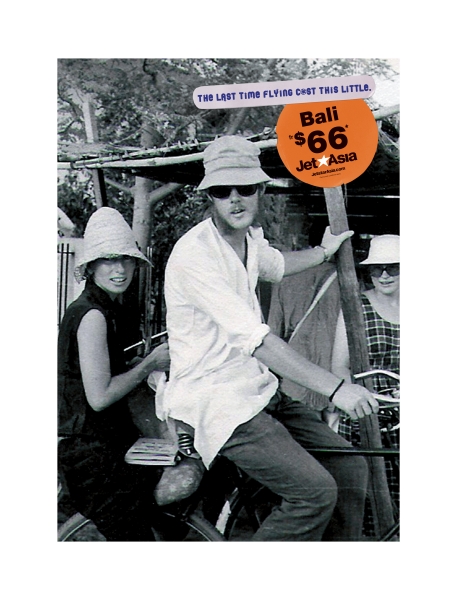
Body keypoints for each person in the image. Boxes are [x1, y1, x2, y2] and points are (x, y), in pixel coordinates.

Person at [159, 136, 379, 541]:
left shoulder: (247, 241)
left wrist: (323, 251)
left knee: (350, 468)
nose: (235, 199)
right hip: (218, 400)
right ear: (209, 196)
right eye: (222, 191)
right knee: (314, 493)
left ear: (260, 190)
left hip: (257, 389)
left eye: (245, 188)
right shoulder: (195, 255)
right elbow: (257, 340)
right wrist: (336, 389)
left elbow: (275, 264)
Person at [58, 207, 172, 541]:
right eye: (108, 260)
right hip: (91, 457)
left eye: (125, 259)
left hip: (108, 446)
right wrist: (149, 364)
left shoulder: (106, 309)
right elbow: (99, 396)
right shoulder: (92, 315)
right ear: (91, 266)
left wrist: (135, 362)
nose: (119, 269)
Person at [331, 234, 400, 531]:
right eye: (376, 269)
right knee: (364, 508)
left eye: (393, 267)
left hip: (404, 420)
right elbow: (339, 366)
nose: (384, 275)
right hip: (364, 418)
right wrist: (361, 400)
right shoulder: (355, 307)